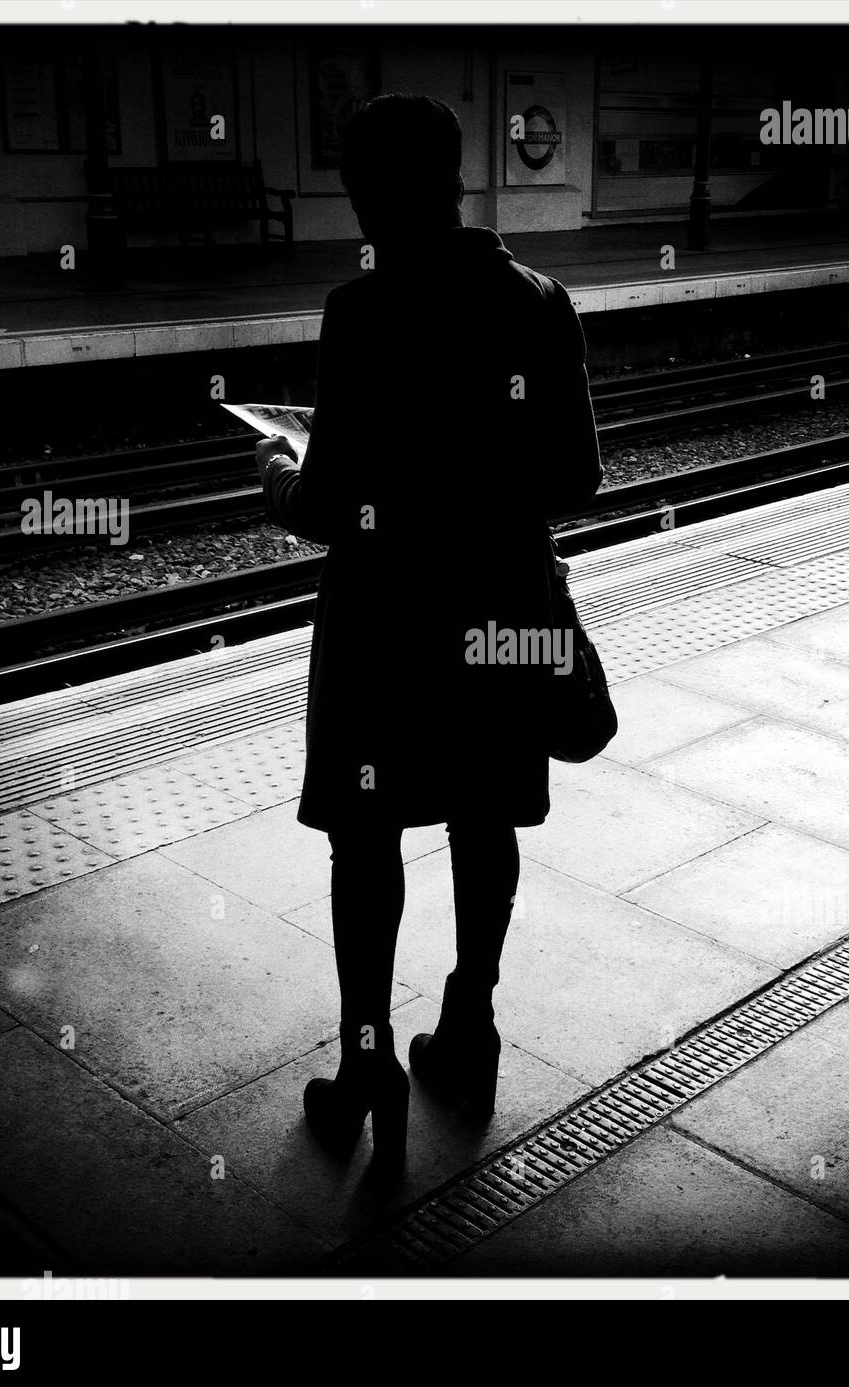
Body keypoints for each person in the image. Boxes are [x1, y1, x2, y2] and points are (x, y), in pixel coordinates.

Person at [257, 94, 603, 1176]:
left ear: (369, 192)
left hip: (384, 625)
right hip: (500, 616)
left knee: (367, 839)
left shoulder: (360, 311)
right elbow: (575, 477)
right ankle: (470, 1019)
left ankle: (368, 1064)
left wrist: (283, 479)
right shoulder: (541, 301)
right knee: (483, 809)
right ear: (454, 179)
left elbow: (334, 506)